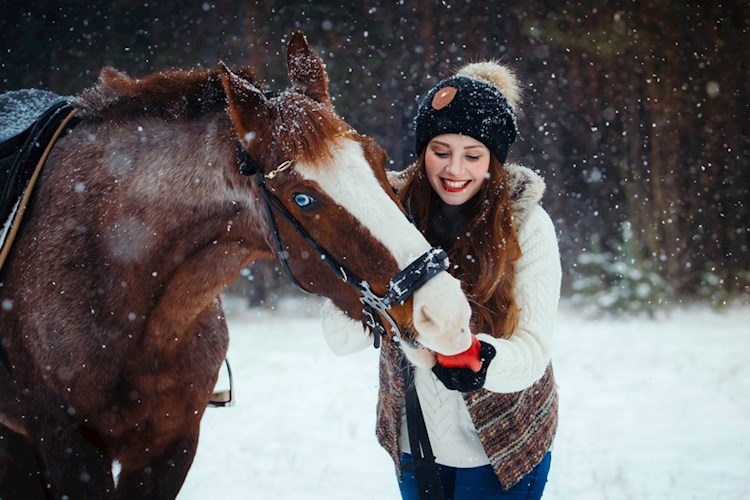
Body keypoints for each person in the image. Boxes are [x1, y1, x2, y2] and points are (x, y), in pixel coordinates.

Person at [321, 61, 562, 500]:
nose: (454, 169)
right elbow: (339, 336)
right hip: (417, 444)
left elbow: (533, 351)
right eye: (440, 150)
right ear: (421, 148)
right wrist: (389, 284)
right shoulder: (388, 215)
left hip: (505, 447)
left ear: (495, 159)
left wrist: (479, 358)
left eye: (473, 155)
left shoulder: (527, 225)